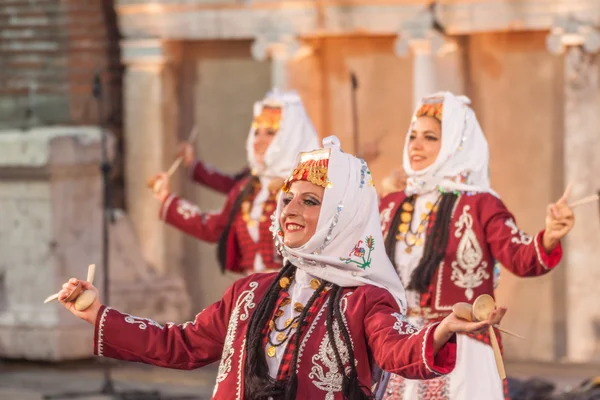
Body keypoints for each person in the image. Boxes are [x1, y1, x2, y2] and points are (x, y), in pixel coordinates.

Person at [57, 136, 507, 400]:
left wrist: (443, 329)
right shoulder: (250, 291)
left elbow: (396, 349)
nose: (289, 208)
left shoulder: (365, 300)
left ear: (343, 216)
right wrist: (99, 315)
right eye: (287, 198)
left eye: (311, 201)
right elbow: (182, 345)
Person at [378, 92, 575, 400]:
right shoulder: (391, 204)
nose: (415, 146)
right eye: (412, 136)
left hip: (461, 346)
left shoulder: (479, 203)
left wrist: (550, 235)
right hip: (399, 347)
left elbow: (522, 257)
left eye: (430, 137)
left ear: (458, 143)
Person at [150, 89, 320, 275]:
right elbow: (213, 226)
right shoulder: (248, 189)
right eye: (256, 132)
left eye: (271, 133)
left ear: (292, 138)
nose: (259, 141)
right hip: (254, 294)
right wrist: (166, 198)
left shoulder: (314, 189)